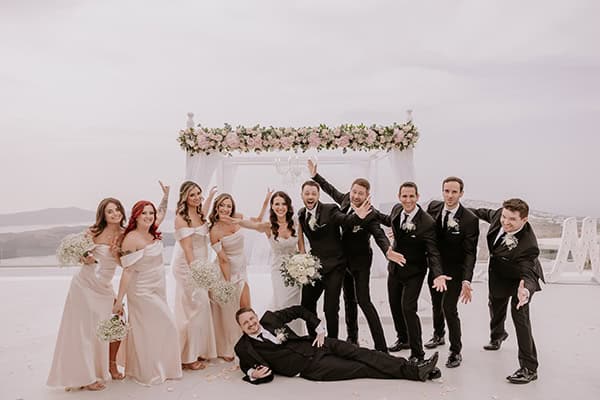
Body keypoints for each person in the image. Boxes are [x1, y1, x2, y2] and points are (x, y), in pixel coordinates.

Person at [234, 306, 440, 384]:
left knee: (363, 353)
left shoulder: (270, 319)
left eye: (252, 318)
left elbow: (299, 310)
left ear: (256, 316)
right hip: (311, 368)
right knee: (360, 368)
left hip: (318, 344)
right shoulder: (243, 347)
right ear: (241, 328)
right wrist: (253, 374)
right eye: (246, 323)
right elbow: (246, 365)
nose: (251, 324)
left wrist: (318, 328)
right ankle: (419, 372)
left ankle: (415, 369)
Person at [308, 160, 390, 352]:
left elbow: (381, 231)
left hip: (361, 263)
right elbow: (329, 189)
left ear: (367, 196)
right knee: (348, 301)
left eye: (360, 193)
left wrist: (389, 247)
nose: (356, 196)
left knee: (364, 301)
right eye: (354, 192)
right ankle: (352, 339)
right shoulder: (345, 200)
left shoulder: (370, 212)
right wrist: (315, 176)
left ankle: (381, 347)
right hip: (342, 261)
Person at [47, 198, 127, 391]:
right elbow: (78, 253)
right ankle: (86, 377)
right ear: (103, 215)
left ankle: (111, 365)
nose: (115, 213)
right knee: (83, 331)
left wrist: (116, 254)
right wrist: (85, 257)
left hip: (104, 286)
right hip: (84, 285)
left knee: (117, 321)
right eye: (110, 211)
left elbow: (125, 265)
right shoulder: (94, 232)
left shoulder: (125, 235)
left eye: (117, 209)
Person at [112, 182, 183, 385]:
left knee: (155, 328)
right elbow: (127, 271)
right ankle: (147, 371)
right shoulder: (131, 239)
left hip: (158, 286)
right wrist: (119, 300)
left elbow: (161, 212)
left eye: (150, 213)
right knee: (163, 325)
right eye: (144, 213)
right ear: (136, 216)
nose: (149, 216)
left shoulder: (153, 230)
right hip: (141, 291)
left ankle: (160, 367)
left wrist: (166, 195)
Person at [472, 198, 545, 384]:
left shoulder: (528, 246)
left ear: (524, 220)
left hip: (521, 279)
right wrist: (459, 212)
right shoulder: (500, 215)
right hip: (500, 273)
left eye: (512, 219)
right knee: (495, 303)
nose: (506, 222)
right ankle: (498, 335)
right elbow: (482, 213)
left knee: (520, 317)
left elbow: (528, 272)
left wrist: (526, 291)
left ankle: (529, 368)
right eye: (504, 217)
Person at [377, 182, 450, 361]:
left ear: (417, 197)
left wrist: (438, 274)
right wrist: (368, 211)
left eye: (411, 196)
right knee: (395, 306)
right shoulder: (396, 210)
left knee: (408, 308)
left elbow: (432, 251)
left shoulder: (427, 222)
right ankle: (403, 339)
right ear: (399, 197)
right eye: (404, 196)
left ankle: (417, 353)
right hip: (395, 269)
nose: (408, 200)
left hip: (414, 271)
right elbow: (389, 221)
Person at [297, 180, 374, 339]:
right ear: (302, 195)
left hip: (335, 266)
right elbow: (300, 239)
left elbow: (345, 220)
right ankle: (315, 337)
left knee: (330, 308)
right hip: (315, 267)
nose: (310, 196)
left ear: (318, 195)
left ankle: (333, 342)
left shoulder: (330, 209)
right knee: (306, 303)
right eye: (307, 193)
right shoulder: (301, 215)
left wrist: (358, 216)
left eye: (313, 193)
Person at [232, 189, 306, 334]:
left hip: (297, 270)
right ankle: (283, 334)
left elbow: (302, 248)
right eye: (277, 204)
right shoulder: (268, 226)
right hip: (279, 270)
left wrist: (304, 267)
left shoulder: (296, 223)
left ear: (288, 206)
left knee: (295, 304)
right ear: (272, 206)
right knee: (282, 302)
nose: (280, 207)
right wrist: (237, 221)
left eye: (283, 204)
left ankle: (297, 336)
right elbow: (251, 225)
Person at [423, 177, 479, 368]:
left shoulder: (470, 219)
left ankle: (455, 351)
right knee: (436, 303)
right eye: (446, 191)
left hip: (455, 270)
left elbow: (470, 253)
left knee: (449, 308)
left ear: (461, 193)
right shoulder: (434, 207)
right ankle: (438, 334)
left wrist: (466, 280)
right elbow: (423, 227)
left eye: (454, 192)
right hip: (435, 267)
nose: (450, 195)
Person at [171, 181, 218, 370]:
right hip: (187, 266)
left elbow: (202, 219)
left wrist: (210, 197)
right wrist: (197, 272)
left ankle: (198, 350)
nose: (197, 197)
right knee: (195, 307)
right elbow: (188, 249)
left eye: (199, 193)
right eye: (192, 195)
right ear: (184, 197)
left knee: (201, 307)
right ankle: (188, 357)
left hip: (201, 264)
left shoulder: (199, 214)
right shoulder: (180, 219)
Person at [208, 193, 246, 361]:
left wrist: (266, 202)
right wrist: (228, 283)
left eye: (229, 206)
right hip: (225, 271)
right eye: (222, 205)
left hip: (241, 267)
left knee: (245, 306)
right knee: (229, 311)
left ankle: (247, 341)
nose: (225, 209)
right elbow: (223, 260)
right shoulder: (214, 231)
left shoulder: (238, 218)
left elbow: (256, 222)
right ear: (216, 208)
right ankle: (228, 347)